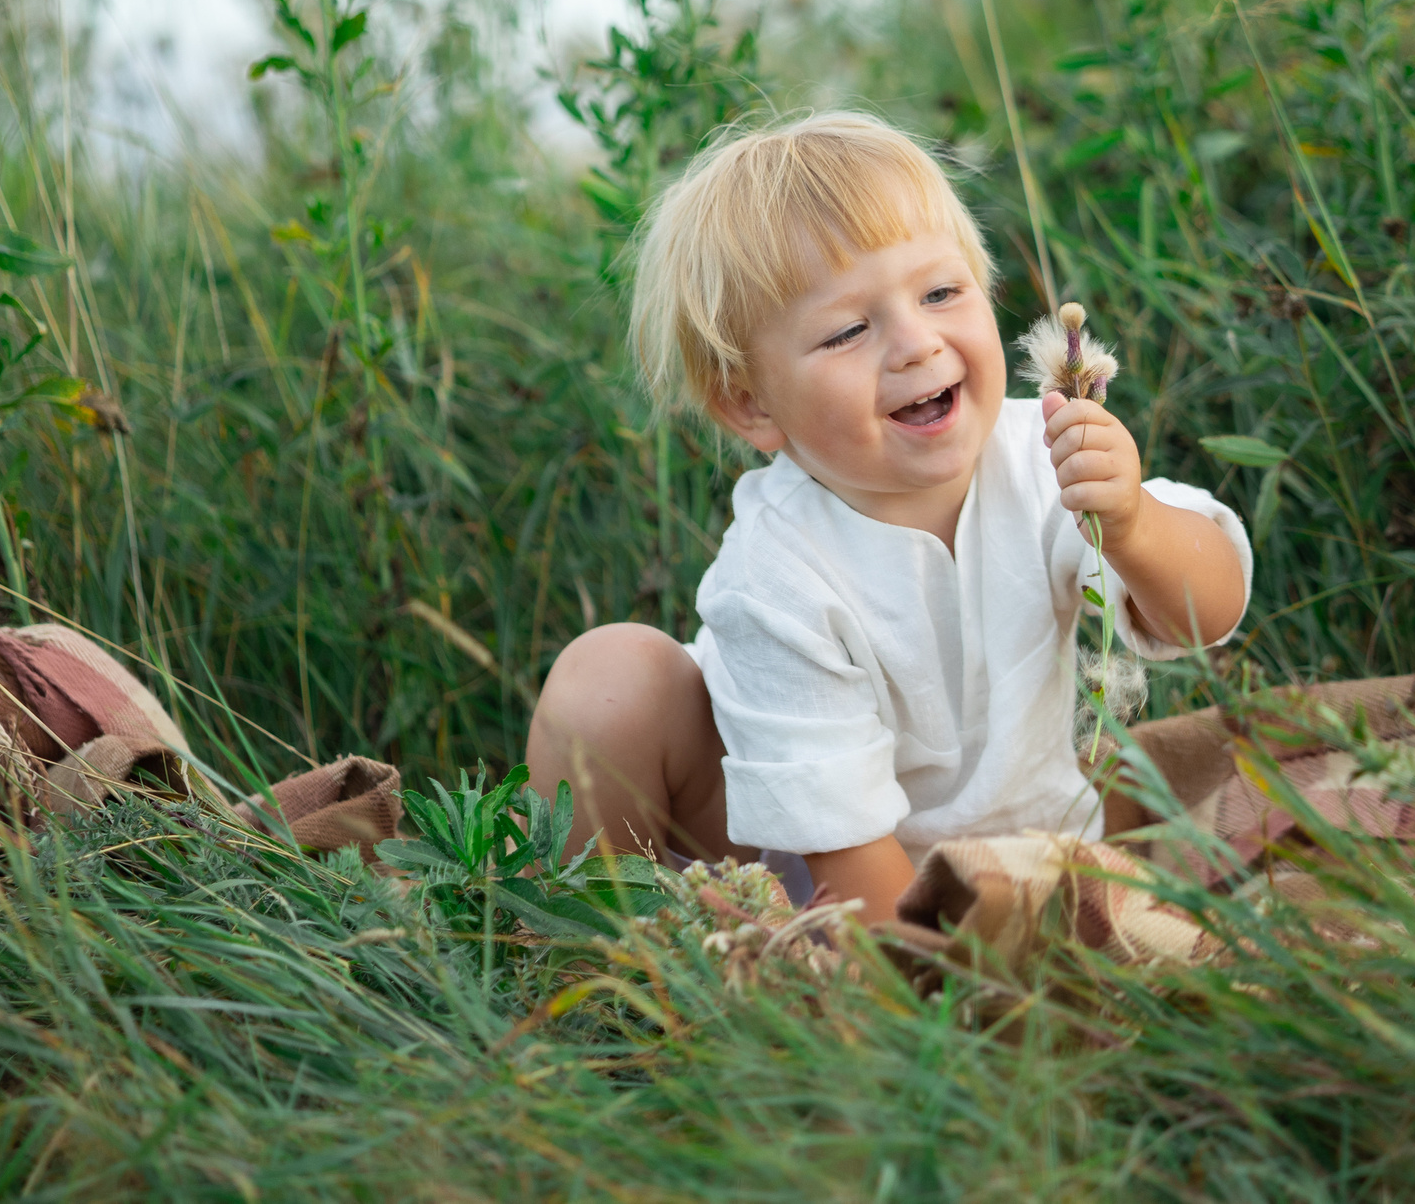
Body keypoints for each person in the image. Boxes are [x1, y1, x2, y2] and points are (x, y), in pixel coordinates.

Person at [526, 111, 1252, 922]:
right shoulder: (776, 572)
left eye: (941, 292)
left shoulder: (1040, 454)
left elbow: (1207, 611)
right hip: (811, 879)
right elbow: (845, 861)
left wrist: (1135, 523)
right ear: (751, 404)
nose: (914, 342)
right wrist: (924, 995)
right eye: (847, 330)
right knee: (610, 681)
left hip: (1032, 853)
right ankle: (602, 949)